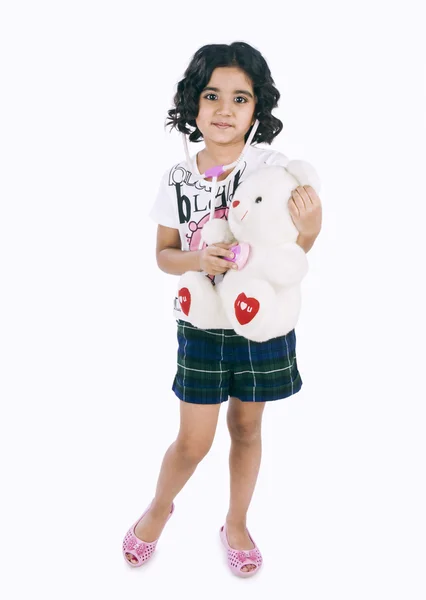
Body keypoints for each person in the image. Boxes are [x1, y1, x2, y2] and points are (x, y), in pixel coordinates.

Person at [122, 41, 322, 577]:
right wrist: (197, 255)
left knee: (248, 428)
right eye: (212, 96)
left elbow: (295, 248)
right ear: (193, 104)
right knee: (193, 440)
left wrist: (311, 223)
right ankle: (159, 508)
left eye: (240, 98)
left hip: (261, 321)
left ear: (258, 109)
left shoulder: (272, 168)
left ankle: (236, 522)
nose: (225, 110)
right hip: (202, 322)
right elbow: (164, 255)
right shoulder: (178, 177)